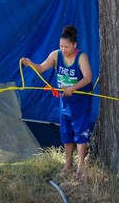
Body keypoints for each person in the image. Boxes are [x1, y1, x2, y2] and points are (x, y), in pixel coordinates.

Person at [22, 25, 93, 179]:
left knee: (81, 134)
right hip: (65, 102)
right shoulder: (56, 55)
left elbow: (88, 77)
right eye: (61, 46)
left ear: (75, 45)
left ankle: (80, 168)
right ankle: (68, 165)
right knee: (66, 134)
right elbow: (40, 68)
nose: (63, 49)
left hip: (80, 102)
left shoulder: (81, 57)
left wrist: (73, 87)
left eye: (66, 46)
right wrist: (30, 63)